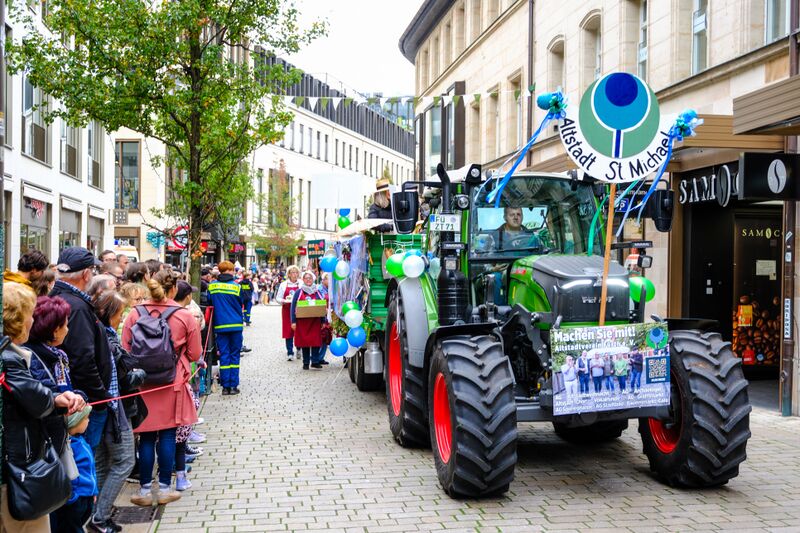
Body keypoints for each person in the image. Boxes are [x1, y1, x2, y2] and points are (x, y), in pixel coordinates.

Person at [2, 281, 85, 533]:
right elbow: (38, 400)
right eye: (29, 314)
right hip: (15, 469)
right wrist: (60, 400)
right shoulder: (9, 359)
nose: (32, 320)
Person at [122, 271, 201, 506]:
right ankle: (165, 487)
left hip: (143, 382)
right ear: (174, 289)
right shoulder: (184, 316)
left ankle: (145, 489)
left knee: (146, 436)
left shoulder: (135, 314)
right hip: (172, 380)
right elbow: (195, 353)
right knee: (167, 435)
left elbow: (126, 349)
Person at [50, 247, 114, 450]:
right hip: (83, 403)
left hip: (76, 397)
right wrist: (100, 396)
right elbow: (82, 358)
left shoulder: (62, 298)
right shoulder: (76, 306)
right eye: (92, 271)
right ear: (86, 274)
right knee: (83, 455)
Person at [89, 289, 137, 533]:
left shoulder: (98, 335)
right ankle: (100, 515)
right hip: (111, 409)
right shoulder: (105, 340)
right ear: (108, 314)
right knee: (125, 460)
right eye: (119, 314)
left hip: (103, 407)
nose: (121, 319)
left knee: (102, 463)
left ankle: (96, 514)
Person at [50, 406, 98, 533]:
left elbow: (90, 469)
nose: (89, 421)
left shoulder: (81, 441)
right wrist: (72, 498)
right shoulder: (66, 446)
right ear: (76, 421)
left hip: (85, 496)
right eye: (86, 418)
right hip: (75, 499)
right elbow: (65, 474)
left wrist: (93, 491)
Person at [207, 261, 246, 395]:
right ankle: (233, 386)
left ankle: (225, 387)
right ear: (229, 271)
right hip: (235, 325)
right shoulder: (236, 286)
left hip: (220, 325)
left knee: (224, 355)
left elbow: (209, 301)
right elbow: (241, 302)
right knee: (234, 355)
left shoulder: (212, 286)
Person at [290, 271, 327, 370]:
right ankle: (305, 362)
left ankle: (315, 361)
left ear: (313, 279)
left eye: (310, 278)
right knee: (304, 342)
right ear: (303, 279)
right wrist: (293, 321)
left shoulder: (317, 292)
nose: (308, 280)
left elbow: (322, 306)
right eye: (306, 278)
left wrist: (323, 320)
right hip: (303, 322)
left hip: (315, 321)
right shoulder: (299, 292)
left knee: (315, 342)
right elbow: (293, 307)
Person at [275, 265, 301, 361]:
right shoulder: (283, 284)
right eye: (293, 272)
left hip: (299, 310)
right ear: (289, 274)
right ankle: (290, 352)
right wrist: (284, 301)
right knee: (288, 331)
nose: (295, 274)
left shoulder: (301, 283)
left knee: (299, 329)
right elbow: (278, 298)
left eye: (296, 272)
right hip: (287, 310)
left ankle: (299, 348)